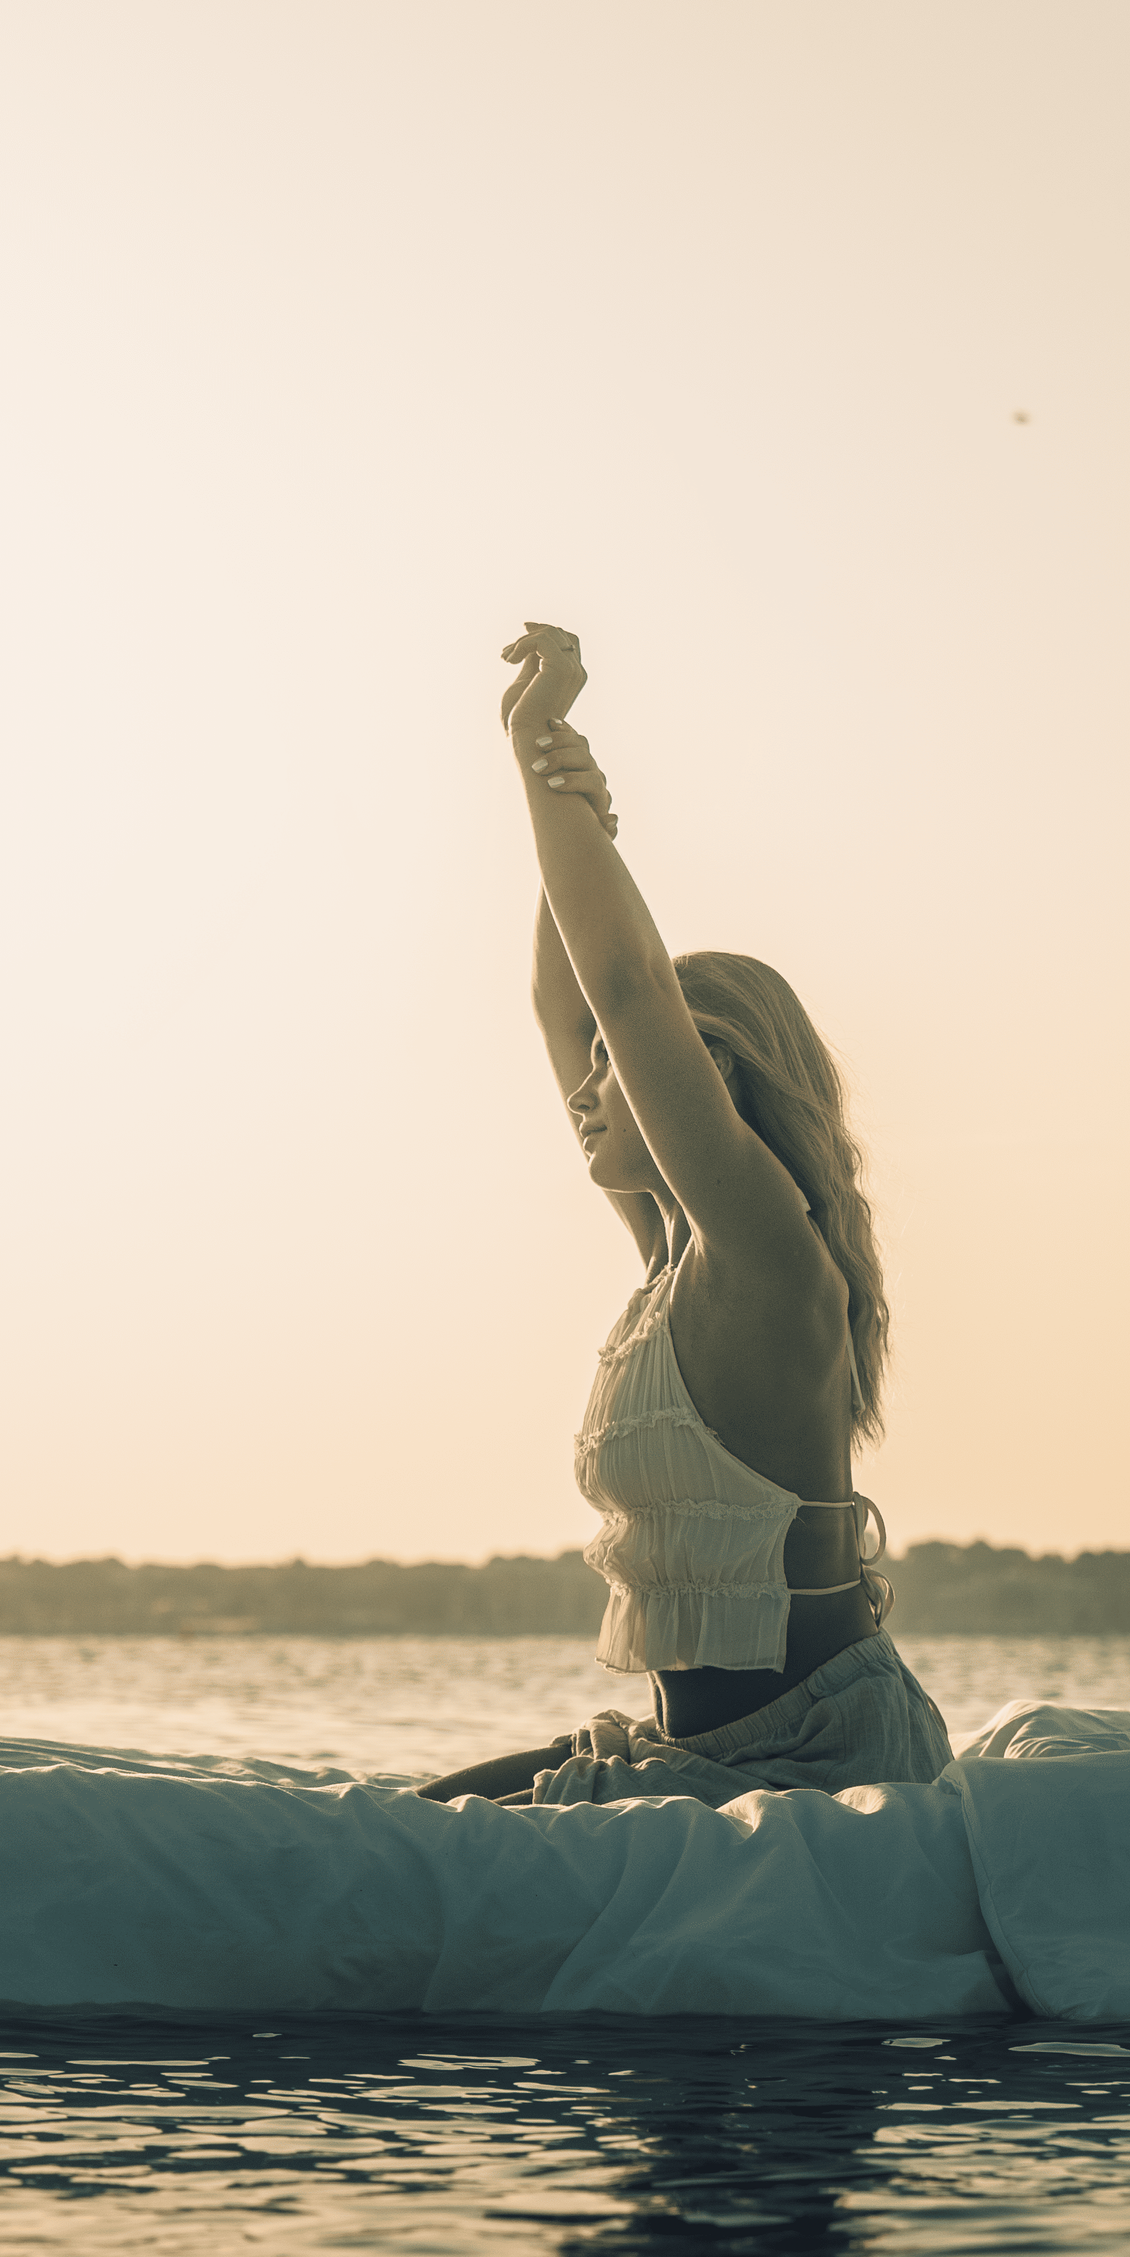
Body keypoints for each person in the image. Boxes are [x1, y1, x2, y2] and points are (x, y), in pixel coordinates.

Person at [419, 624, 951, 1807]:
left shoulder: (764, 1258)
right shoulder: (670, 1258)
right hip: (690, 1754)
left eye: (624, 1068)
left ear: (700, 1081)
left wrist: (528, 748)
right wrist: (569, 809)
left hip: (815, 1766)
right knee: (388, 1825)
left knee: (401, 1853)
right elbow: (574, 1005)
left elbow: (623, 988)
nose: (586, 1088)